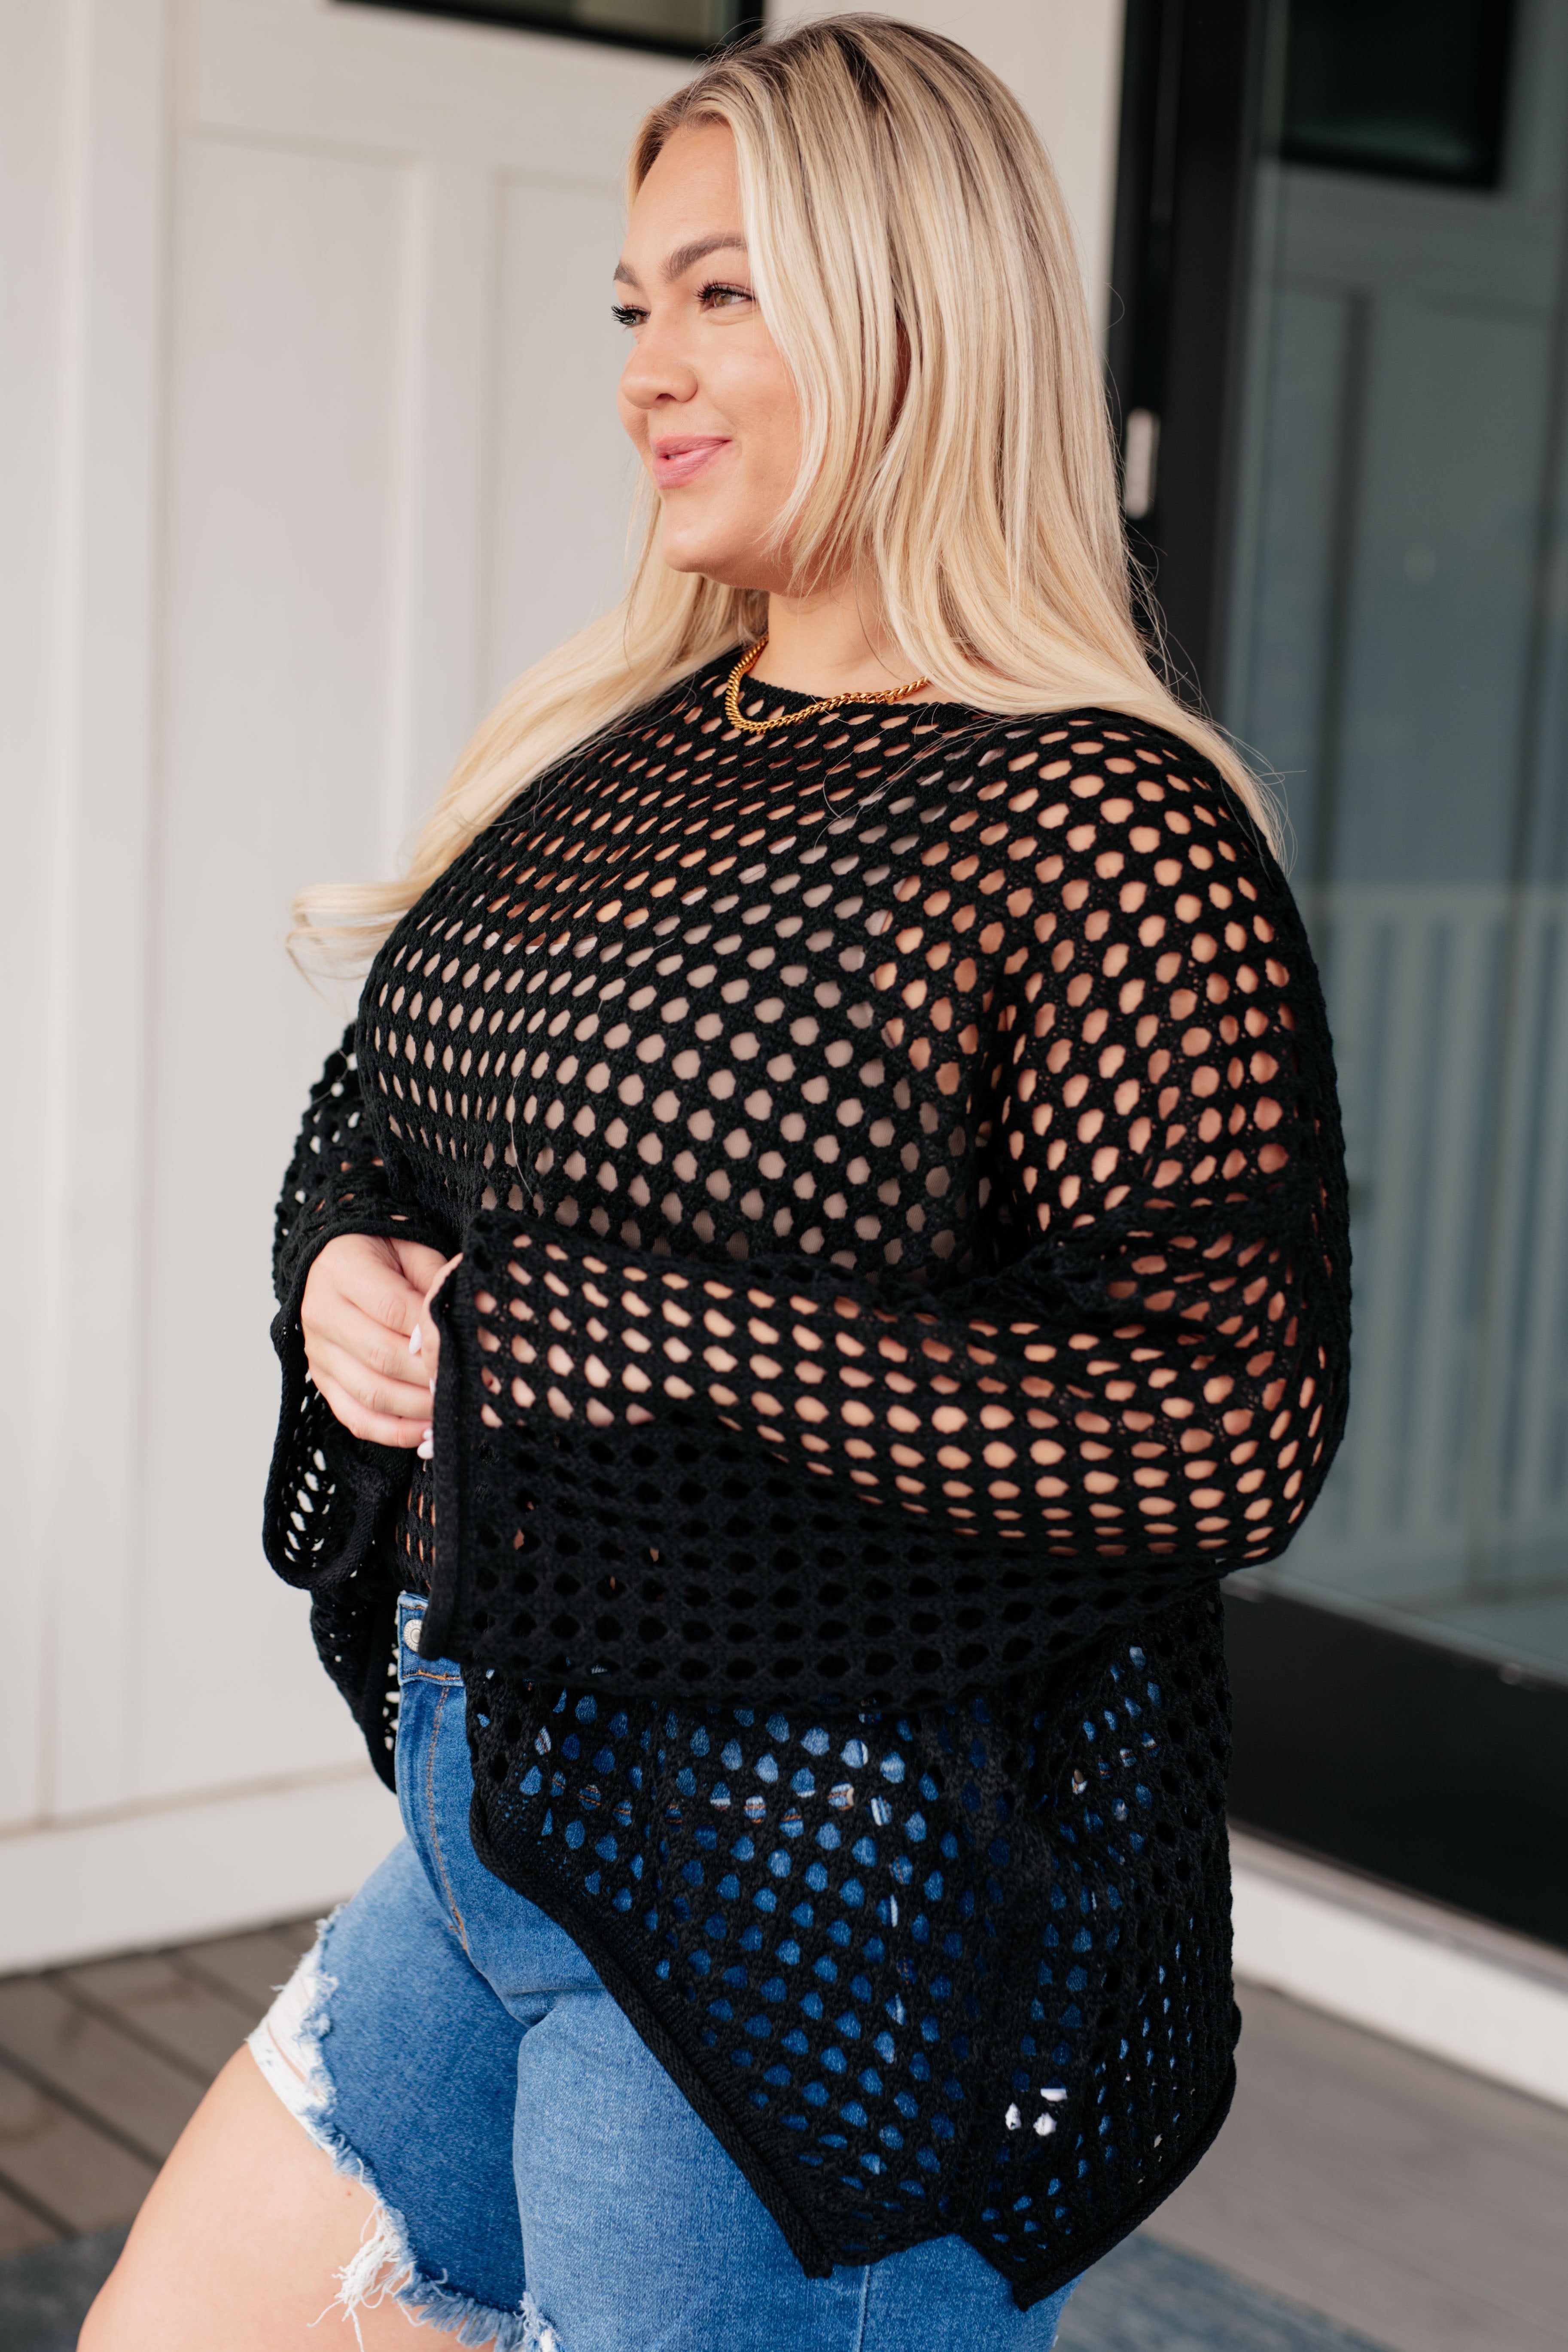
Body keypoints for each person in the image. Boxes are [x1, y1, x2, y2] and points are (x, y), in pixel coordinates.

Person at [83, 17, 1349, 2350]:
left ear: (911, 312)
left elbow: (1217, 1424)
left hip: (817, 1900)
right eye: (630, 305)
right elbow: (385, 1126)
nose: (647, 370)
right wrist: (344, 1268)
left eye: (722, 293)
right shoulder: (637, 747)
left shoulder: (1096, 822)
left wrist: (636, 1337)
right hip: (510, 1817)